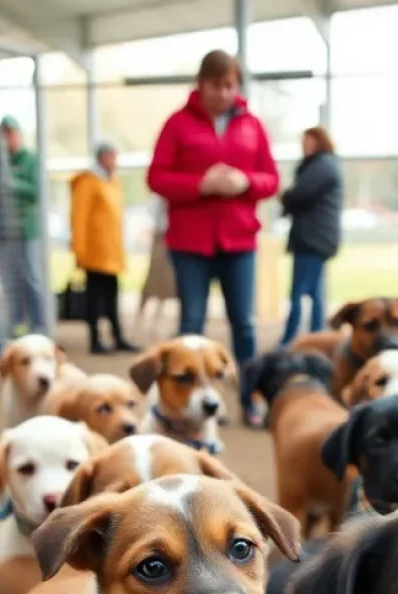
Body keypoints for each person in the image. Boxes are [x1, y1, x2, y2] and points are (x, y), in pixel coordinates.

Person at [148, 49, 280, 421]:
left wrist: (245, 181)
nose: (223, 93)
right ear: (201, 84)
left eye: (229, 85)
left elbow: (271, 179)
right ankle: (186, 402)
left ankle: (249, 399)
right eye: (215, 85)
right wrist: (200, 184)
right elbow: (157, 177)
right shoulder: (177, 124)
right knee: (192, 321)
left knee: (244, 322)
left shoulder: (251, 124)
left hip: (238, 240)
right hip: (190, 242)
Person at [279, 125, 342, 345]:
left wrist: (285, 196)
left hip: (312, 240)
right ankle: (318, 337)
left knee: (298, 294)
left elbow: (298, 195)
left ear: (319, 142)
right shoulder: (325, 165)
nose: (304, 146)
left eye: (308, 141)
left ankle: (288, 340)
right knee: (315, 295)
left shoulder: (321, 165)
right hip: (316, 238)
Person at [71, 141, 135, 354]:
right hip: (94, 251)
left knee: (112, 295)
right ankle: (95, 339)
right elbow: (79, 217)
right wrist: (79, 249)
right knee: (94, 297)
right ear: (102, 157)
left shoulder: (112, 181)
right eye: (112, 156)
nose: (115, 161)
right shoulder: (89, 182)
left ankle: (118, 336)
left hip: (111, 251)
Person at [0, 115, 45, 336]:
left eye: (11, 133)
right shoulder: (0, 161)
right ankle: (16, 323)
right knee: (11, 280)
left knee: (32, 277)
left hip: (27, 229)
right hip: (5, 230)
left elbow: (36, 191)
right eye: (4, 134)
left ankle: (39, 325)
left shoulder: (31, 160)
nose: (8, 139)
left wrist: (12, 184)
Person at [136, 197, 176, 341]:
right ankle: (140, 320)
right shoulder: (162, 199)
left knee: (166, 286)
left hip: (172, 237)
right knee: (153, 284)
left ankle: (156, 323)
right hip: (163, 238)